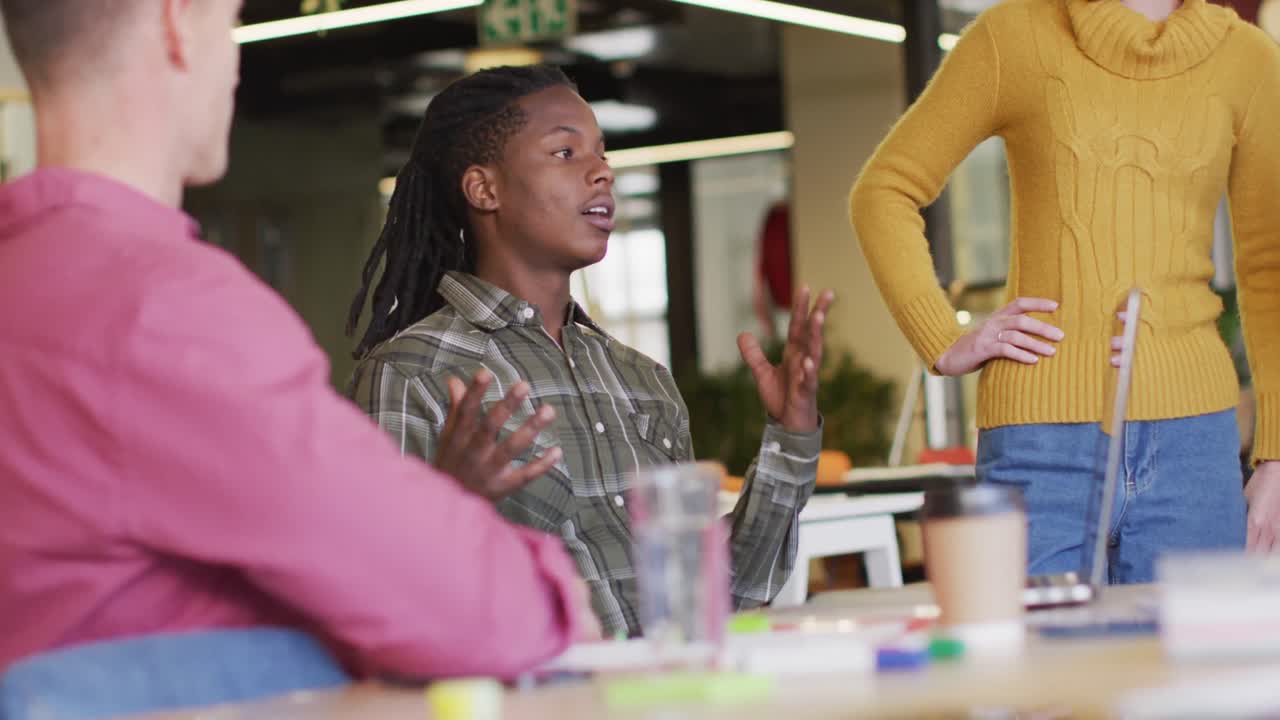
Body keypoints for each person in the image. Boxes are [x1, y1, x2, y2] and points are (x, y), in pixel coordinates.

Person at [0, 0, 598, 677]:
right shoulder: (165, 313)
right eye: (227, 26)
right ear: (175, 21)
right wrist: (552, 593)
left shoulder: (22, 280)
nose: (232, 67)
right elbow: (479, 611)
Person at [346, 65, 836, 637]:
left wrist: (791, 435)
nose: (602, 172)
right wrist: (456, 504)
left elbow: (726, 595)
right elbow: (380, 609)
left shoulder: (640, 378)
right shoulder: (412, 375)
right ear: (485, 189)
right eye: (564, 153)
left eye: (601, 153)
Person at [851, 0, 1280, 578]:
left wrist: (1276, 454)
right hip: (1039, 442)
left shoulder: (1248, 60)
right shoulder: (1014, 35)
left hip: (1194, 449)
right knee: (1036, 665)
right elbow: (884, 189)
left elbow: (1270, 265)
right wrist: (940, 335)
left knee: (1193, 668)